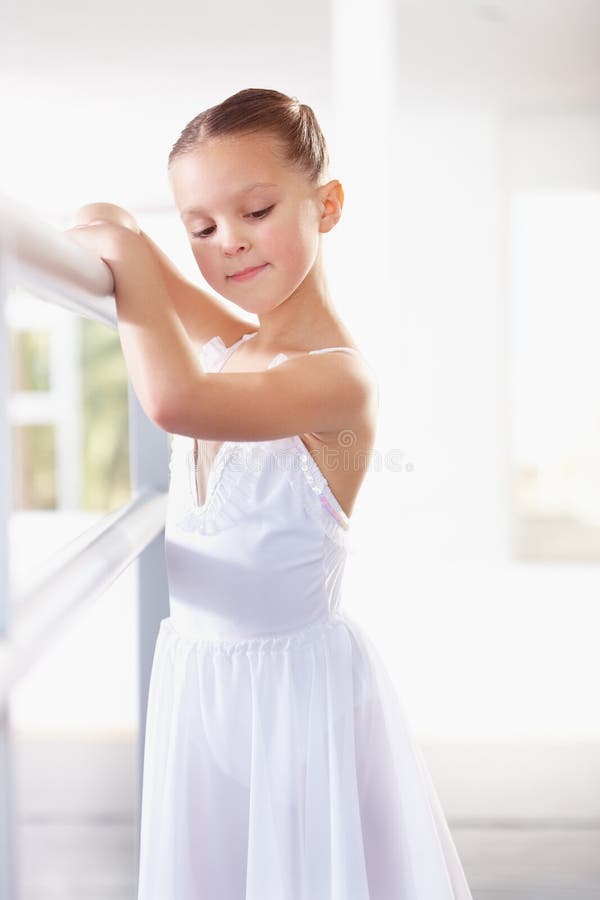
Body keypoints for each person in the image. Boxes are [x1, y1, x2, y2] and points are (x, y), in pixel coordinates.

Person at [65, 88, 473, 900]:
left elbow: (175, 398)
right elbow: (173, 300)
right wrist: (120, 230)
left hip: (292, 702)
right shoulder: (241, 344)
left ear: (327, 205)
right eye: (202, 227)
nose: (229, 244)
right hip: (200, 681)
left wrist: (134, 250)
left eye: (255, 210)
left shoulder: (333, 377)